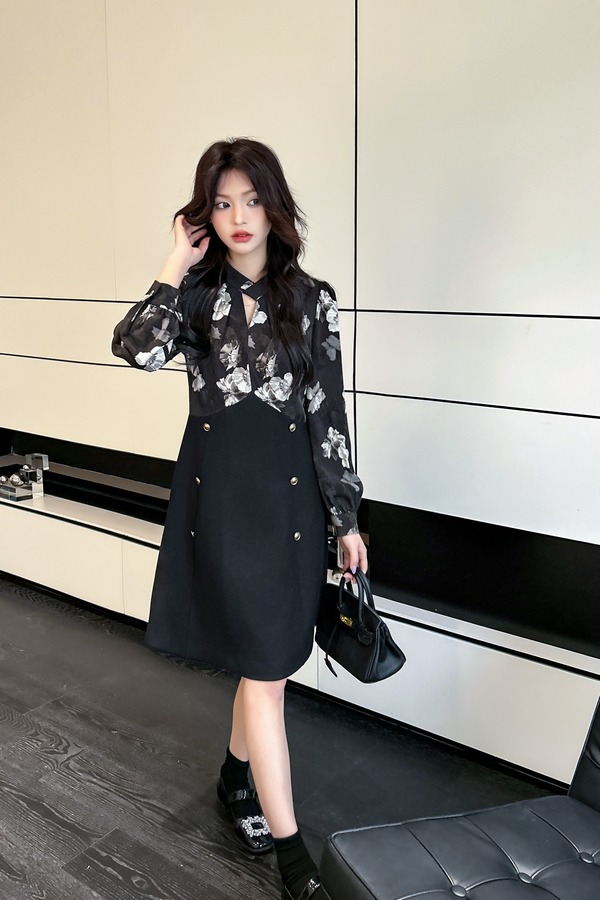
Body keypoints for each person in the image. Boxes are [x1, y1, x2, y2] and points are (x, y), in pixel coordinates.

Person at [112, 138, 367, 900]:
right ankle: (294, 860)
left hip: (290, 506)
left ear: (274, 205)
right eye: (222, 204)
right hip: (221, 503)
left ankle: (235, 776)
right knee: (266, 673)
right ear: (205, 216)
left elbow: (327, 416)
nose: (238, 217)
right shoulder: (193, 297)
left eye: (251, 200)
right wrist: (174, 262)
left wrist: (346, 518)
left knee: (267, 667)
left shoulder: (312, 300)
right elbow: (135, 349)